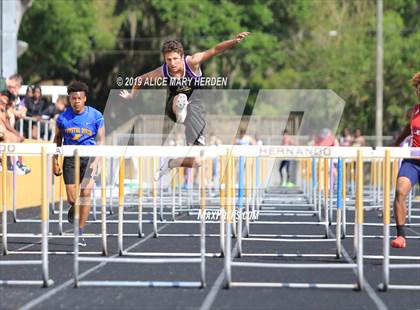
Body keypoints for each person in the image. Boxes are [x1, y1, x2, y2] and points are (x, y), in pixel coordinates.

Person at [120, 32, 251, 180]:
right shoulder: (163, 71)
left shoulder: (193, 62)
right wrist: (132, 95)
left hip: (196, 112)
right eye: (168, 60)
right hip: (174, 107)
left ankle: (170, 163)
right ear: (165, 59)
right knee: (181, 97)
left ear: (182, 57)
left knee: (197, 161)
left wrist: (234, 41)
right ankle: (182, 112)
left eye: (175, 59)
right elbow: (140, 79)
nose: (172, 63)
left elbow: (215, 49)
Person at [53, 81, 105, 247]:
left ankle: (80, 231)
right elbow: (57, 139)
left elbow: (101, 140)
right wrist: (55, 160)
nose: (76, 101)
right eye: (73, 98)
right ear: (70, 99)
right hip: (70, 158)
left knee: (86, 194)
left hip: (89, 158)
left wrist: (97, 161)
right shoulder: (62, 118)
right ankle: (74, 208)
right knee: (72, 198)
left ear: (85, 99)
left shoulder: (96, 116)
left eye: (79, 98)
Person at [390, 72, 420, 248]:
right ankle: (401, 236)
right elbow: (407, 131)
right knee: (400, 191)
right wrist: (394, 145)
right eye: (419, 89)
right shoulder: (413, 111)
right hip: (413, 161)